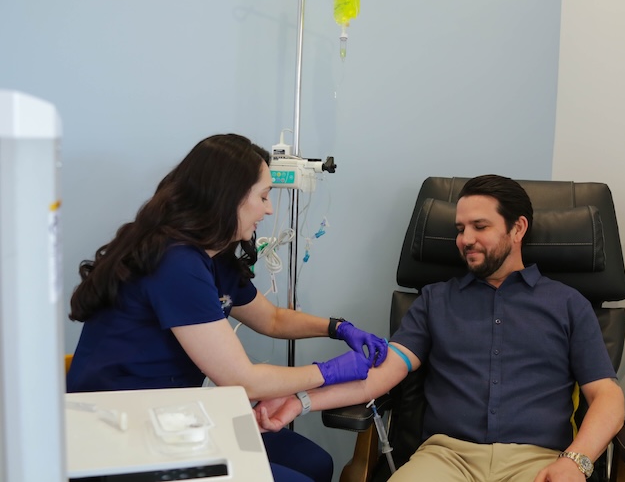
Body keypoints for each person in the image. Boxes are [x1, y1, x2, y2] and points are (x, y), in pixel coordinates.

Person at [254, 174, 625, 482]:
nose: (465, 239)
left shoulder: (567, 304)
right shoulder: (436, 300)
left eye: (480, 226)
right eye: (460, 228)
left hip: (538, 461)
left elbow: (607, 397)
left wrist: (575, 461)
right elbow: (378, 377)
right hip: (447, 459)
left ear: (518, 229)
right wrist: (299, 402)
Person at [66, 133, 388, 482]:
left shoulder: (212, 254)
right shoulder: (175, 262)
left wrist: (337, 327)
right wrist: (332, 371)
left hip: (171, 415)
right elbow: (241, 380)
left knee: (314, 462)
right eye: (264, 197)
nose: (269, 209)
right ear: (229, 197)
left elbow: (274, 319)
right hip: (119, 430)